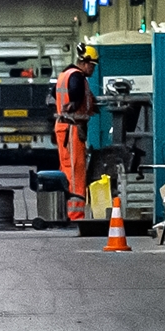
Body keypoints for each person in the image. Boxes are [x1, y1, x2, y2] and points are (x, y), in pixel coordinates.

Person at [53, 39, 100, 221]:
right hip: (72, 130)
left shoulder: (65, 74)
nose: (93, 70)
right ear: (85, 62)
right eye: (92, 66)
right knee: (76, 172)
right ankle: (75, 214)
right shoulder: (77, 77)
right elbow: (75, 94)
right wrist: (76, 105)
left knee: (67, 169)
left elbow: (54, 95)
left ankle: (64, 212)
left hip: (64, 128)